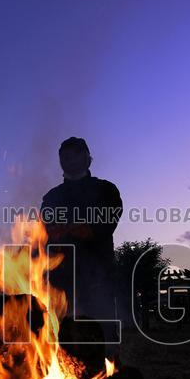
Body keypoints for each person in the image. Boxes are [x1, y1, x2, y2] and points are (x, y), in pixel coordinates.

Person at [40, 137, 123, 323]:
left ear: (87, 158)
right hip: (60, 280)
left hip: (98, 278)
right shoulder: (51, 197)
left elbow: (108, 222)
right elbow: (44, 230)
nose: (70, 160)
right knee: (59, 332)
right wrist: (51, 233)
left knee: (101, 332)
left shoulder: (106, 190)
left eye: (76, 154)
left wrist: (87, 229)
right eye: (65, 156)